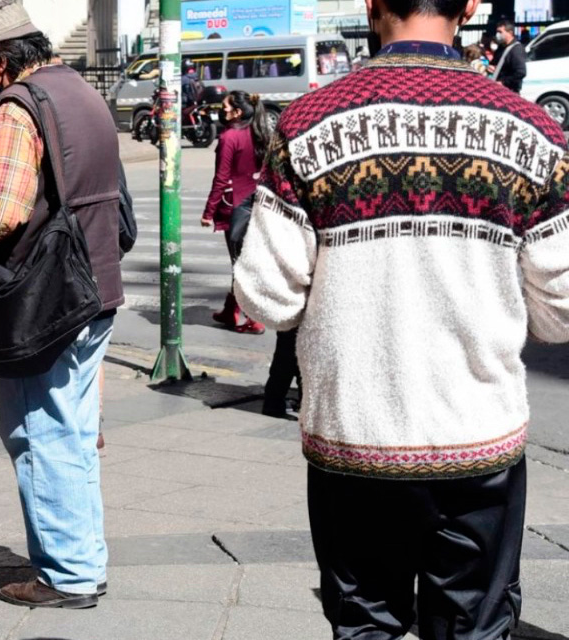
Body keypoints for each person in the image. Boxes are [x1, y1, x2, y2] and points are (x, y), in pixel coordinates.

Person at [234, 0, 569, 633]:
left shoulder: (307, 124)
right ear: (469, 6)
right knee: (475, 628)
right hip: (479, 444)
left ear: (370, 3)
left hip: (354, 441)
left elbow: (266, 298)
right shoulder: (533, 132)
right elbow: (561, 313)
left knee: (365, 624)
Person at [0, 0, 123, 610]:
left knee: (41, 432)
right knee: (71, 433)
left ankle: (68, 576)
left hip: (49, 299)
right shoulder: (80, 89)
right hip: (96, 286)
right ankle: (83, 562)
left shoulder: (22, 106)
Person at [201, 90, 269, 335]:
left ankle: (253, 318)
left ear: (237, 112)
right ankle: (232, 310)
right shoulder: (259, 131)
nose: (223, 110)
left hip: (236, 204)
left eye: (226, 107)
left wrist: (208, 211)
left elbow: (221, 178)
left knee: (240, 263)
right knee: (244, 260)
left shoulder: (230, 137)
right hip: (258, 202)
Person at [490, 19, 527, 91]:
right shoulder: (501, 47)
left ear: (510, 33)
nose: (498, 34)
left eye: (500, 32)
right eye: (497, 32)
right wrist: (491, 67)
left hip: (509, 91)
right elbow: (495, 63)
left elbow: (521, 72)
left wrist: (503, 82)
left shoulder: (516, 49)